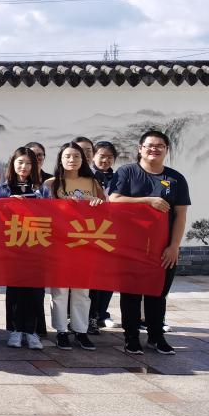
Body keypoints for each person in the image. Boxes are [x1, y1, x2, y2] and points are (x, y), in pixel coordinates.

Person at [109, 130, 190, 356]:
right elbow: (114, 200)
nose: (154, 149)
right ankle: (131, 337)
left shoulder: (176, 179)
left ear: (166, 150)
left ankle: (156, 337)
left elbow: (181, 215)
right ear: (140, 148)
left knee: (158, 293)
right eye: (149, 145)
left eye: (159, 146)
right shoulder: (127, 172)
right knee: (131, 293)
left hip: (162, 248)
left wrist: (174, 246)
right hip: (130, 246)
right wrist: (149, 201)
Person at [42, 142, 105, 351]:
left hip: (85, 242)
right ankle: (61, 331)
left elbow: (106, 210)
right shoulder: (51, 184)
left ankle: (80, 330)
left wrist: (96, 202)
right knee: (60, 291)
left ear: (83, 159)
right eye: (67, 156)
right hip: (59, 244)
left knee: (82, 291)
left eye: (76, 156)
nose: (72, 160)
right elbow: (42, 212)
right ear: (60, 159)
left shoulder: (92, 182)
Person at [0, 147, 46, 350]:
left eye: (28, 163)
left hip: (36, 245)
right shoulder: (3, 189)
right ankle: (15, 330)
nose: (24, 167)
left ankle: (31, 331)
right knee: (15, 290)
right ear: (12, 164)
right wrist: (7, 204)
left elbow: (51, 214)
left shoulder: (41, 189)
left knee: (35, 290)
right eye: (20, 162)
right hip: (13, 246)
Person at [88, 140, 119, 333]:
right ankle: (90, 316)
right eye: (102, 156)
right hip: (90, 232)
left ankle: (101, 313)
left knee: (108, 277)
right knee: (92, 277)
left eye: (110, 157)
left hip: (112, 232)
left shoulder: (118, 178)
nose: (105, 160)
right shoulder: (86, 177)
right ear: (93, 156)